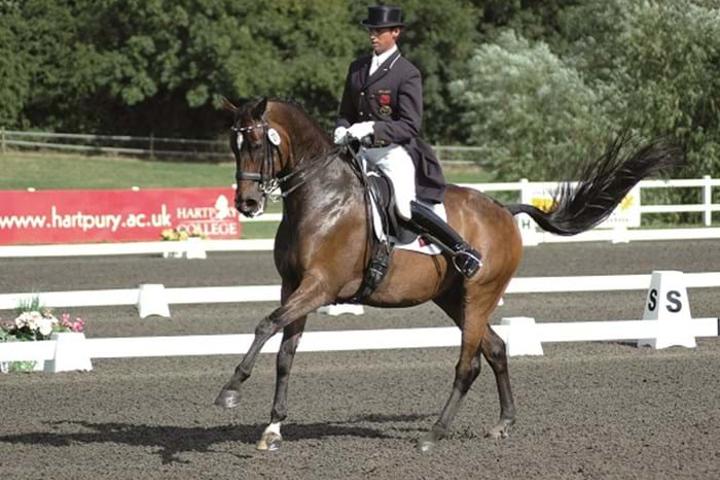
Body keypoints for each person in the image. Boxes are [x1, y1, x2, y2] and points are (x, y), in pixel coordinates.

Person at [334, 4, 481, 278]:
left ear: (396, 32)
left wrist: (373, 128)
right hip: (359, 152)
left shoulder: (406, 72)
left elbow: (410, 125)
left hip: (393, 152)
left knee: (402, 205)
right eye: (371, 30)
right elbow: (346, 112)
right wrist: (341, 129)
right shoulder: (357, 68)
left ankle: (461, 249)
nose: (373, 36)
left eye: (379, 31)